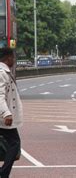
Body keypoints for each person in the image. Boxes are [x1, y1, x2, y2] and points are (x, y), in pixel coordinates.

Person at [0, 48, 22, 178]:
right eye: (13, 58)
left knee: (13, 143)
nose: (14, 60)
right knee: (14, 143)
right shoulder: (2, 73)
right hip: (2, 117)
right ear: (8, 58)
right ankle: (3, 174)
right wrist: (6, 113)